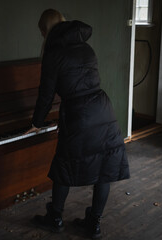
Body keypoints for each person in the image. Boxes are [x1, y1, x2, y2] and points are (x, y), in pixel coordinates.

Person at [25, 9, 130, 239]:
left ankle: (55, 218)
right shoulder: (86, 47)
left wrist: (36, 122)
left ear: (45, 30)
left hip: (78, 114)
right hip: (103, 109)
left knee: (63, 167)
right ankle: (93, 225)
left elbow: (46, 95)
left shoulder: (53, 54)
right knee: (104, 169)